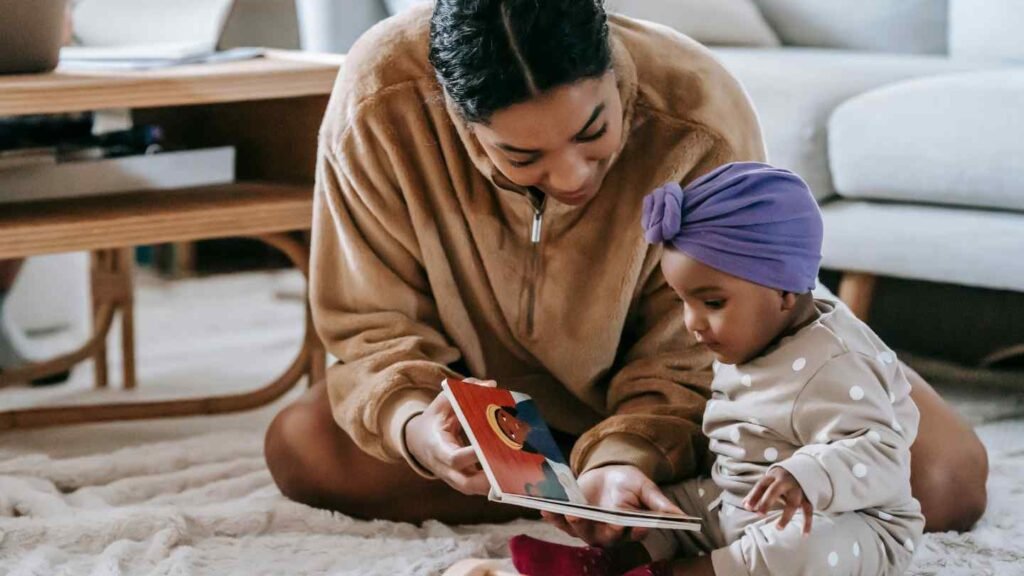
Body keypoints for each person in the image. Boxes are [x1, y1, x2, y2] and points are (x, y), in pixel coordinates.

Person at [263, 0, 987, 534]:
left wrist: (632, 452)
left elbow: (706, 342)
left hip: (704, 392)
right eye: (522, 157)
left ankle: (633, 485)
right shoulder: (381, 99)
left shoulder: (695, 105)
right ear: (456, 115)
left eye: (593, 132)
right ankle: (643, 498)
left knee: (942, 479)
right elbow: (370, 325)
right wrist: (418, 427)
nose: (572, 176)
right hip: (492, 395)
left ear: (612, 63)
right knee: (304, 449)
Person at [511, 163, 924, 576]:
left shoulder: (838, 361)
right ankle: (603, 565)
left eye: (712, 303)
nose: (692, 322)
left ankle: (675, 573)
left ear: (785, 291)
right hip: (738, 499)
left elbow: (884, 454)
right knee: (667, 507)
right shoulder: (748, 337)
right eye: (683, 301)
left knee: (797, 548)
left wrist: (807, 474)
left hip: (844, 519)